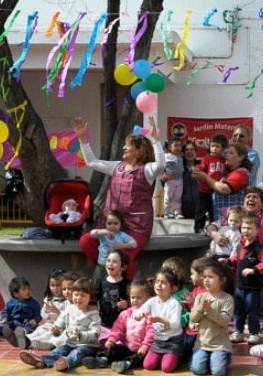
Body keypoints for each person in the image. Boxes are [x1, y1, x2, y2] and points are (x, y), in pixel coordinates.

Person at [75, 115, 165, 278]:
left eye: (128, 145)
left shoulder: (146, 170)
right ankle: (104, 275)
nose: (123, 147)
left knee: (123, 258)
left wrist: (155, 140)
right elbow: (92, 162)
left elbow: (161, 165)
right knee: (86, 242)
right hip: (112, 224)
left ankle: (126, 292)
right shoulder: (117, 166)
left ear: (139, 150)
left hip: (137, 226)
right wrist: (82, 138)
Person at [20, 278, 102, 371]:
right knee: (59, 351)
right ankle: (41, 361)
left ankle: (66, 362)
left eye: (83, 295)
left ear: (90, 297)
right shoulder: (69, 309)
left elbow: (96, 333)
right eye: (76, 294)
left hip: (87, 346)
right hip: (69, 342)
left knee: (78, 353)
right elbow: (61, 321)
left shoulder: (93, 314)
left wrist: (82, 335)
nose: (78, 298)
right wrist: (57, 327)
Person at [91, 279, 154, 374]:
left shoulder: (149, 315)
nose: (134, 300)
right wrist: (112, 340)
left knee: (139, 358)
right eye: (132, 297)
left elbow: (151, 333)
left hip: (142, 349)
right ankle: (102, 359)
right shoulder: (126, 313)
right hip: (127, 346)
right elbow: (117, 328)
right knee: (114, 350)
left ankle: (126, 364)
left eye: (139, 298)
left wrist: (146, 346)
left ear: (149, 299)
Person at [229, 213, 263, 344]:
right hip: (239, 286)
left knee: (253, 312)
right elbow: (236, 258)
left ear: (258, 230)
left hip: (253, 288)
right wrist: (228, 262)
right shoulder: (240, 245)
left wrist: (253, 270)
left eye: (249, 228)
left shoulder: (260, 248)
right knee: (238, 310)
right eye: (244, 228)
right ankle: (238, 331)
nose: (246, 231)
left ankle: (254, 333)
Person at [189, 261, 236, 376]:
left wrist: (209, 310)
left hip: (220, 345)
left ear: (222, 280)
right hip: (202, 344)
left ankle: (224, 358)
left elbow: (224, 321)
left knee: (218, 372)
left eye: (211, 277)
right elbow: (193, 318)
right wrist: (200, 309)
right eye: (204, 277)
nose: (206, 280)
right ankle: (209, 359)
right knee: (197, 370)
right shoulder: (200, 297)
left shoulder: (227, 299)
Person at [193, 142, 252, 225]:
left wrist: (206, 178)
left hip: (234, 225)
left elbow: (224, 189)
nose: (226, 155)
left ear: (240, 157)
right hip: (222, 224)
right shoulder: (228, 173)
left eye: (231, 153)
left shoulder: (241, 173)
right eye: (226, 152)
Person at [139, 268, 185, 373]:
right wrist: (141, 314)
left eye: (164, 283)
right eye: (157, 282)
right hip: (158, 341)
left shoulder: (174, 304)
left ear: (172, 288)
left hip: (173, 342)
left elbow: (176, 324)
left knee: (166, 368)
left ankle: (178, 357)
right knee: (148, 365)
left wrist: (159, 319)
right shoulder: (152, 301)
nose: (159, 285)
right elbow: (136, 315)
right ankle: (164, 357)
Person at [87, 209, 138, 279]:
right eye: (109, 223)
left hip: (116, 267)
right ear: (105, 224)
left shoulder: (122, 235)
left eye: (115, 223)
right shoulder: (103, 233)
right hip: (102, 265)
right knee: (97, 283)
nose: (112, 226)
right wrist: (104, 232)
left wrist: (122, 246)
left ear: (121, 225)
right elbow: (92, 233)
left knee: (115, 283)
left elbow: (134, 243)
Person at [194, 134, 228, 231]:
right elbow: (200, 170)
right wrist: (196, 170)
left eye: (217, 147)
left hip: (217, 192)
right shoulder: (207, 158)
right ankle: (198, 229)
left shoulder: (224, 160)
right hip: (204, 190)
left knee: (214, 211)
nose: (214, 149)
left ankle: (214, 228)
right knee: (201, 210)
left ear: (223, 148)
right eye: (212, 146)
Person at [1, 276, 44, 347]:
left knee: (30, 325)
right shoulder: (11, 302)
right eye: (24, 289)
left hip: (28, 321)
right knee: (6, 326)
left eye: (28, 289)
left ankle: (23, 334)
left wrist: (35, 319)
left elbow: (38, 313)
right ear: (16, 293)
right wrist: (4, 318)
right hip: (15, 321)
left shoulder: (33, 302)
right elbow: (5, 311)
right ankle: (11, 335)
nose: (28, 291)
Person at [161, 137, 185, 218]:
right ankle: (167, 212)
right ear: (170, 147)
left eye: (179, 146)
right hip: (170, 180)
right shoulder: (165, 156)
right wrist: (163, 174)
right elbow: (160, 166)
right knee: (168, 197)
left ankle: (177, 212)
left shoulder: (181, 156)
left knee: (178, 197)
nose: (178, 147)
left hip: (179, 180)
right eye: (175, 146)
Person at [180, 140, 199, 220]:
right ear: (183, 153)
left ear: (195, 152)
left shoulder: (202, 165)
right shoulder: (178, 167)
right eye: (187, 150)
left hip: (200, 206)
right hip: (183, 207)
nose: (189, 152)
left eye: (192, 150)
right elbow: (167, 183)